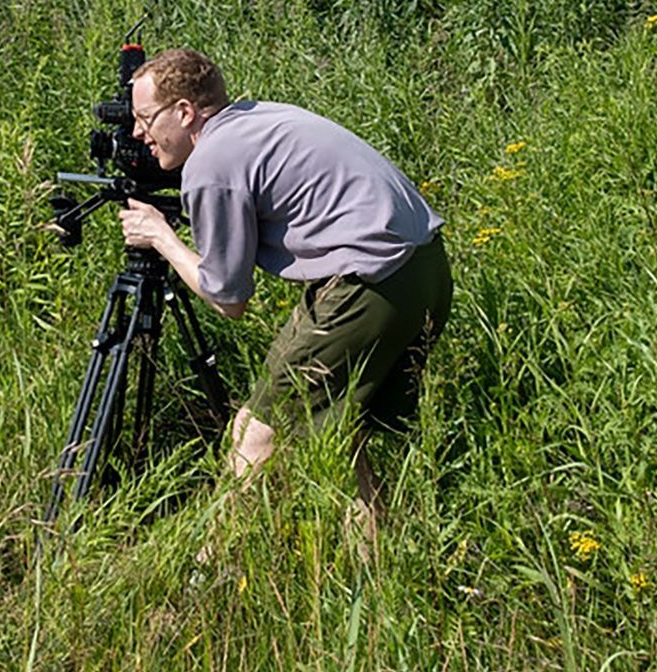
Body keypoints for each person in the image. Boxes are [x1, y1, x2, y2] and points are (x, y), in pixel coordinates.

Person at [116, 48, 451, 540]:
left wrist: (162, 237)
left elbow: (228, 300)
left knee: (255, 434)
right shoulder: (256, 119)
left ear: (185, 112)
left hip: (369, 279)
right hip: (423, 268)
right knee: (340, 431)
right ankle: (377, 575)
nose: (138, 134)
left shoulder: (212, 161)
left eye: (145, 119)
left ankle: (211, 584)